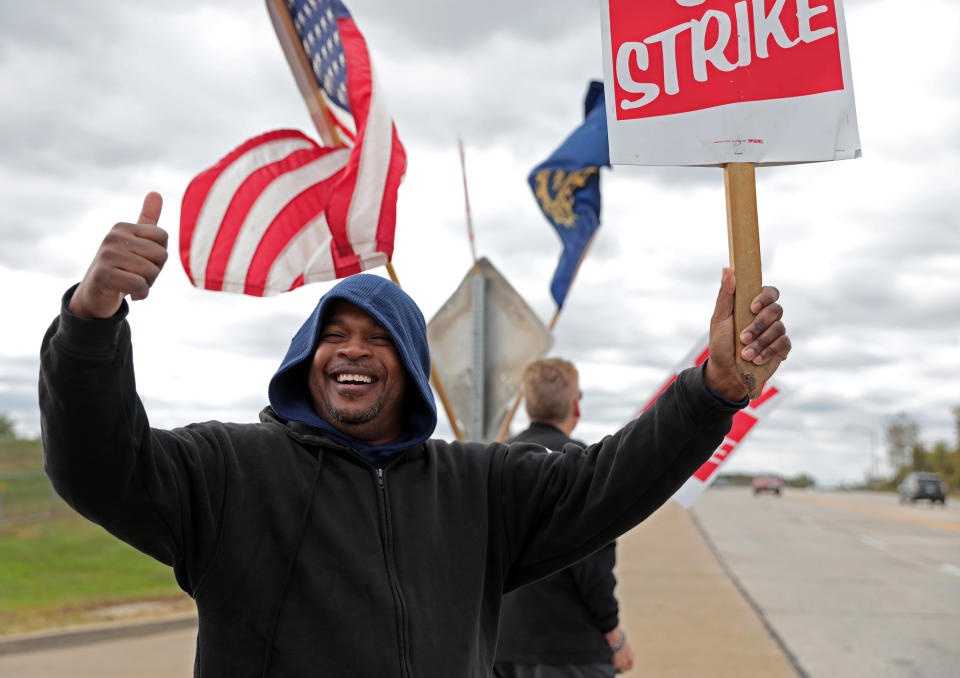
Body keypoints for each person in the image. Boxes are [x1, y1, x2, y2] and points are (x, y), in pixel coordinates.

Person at [39, 192, 791, 677]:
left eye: (378, 338)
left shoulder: (477, 486)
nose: (353, 350)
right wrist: (91, 319)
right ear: (308, 355)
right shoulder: (230, 470)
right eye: (334, 334)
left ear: (411, 365)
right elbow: (99, 465)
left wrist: (711, 391)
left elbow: (606, 482)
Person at [495, 358, 635, 678]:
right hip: (569, 651)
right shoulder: (582, 464)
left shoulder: (493, 461)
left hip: (499, 647)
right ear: (576, 405)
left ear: (528, 406)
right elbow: (590, 563)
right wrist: (614, 637)